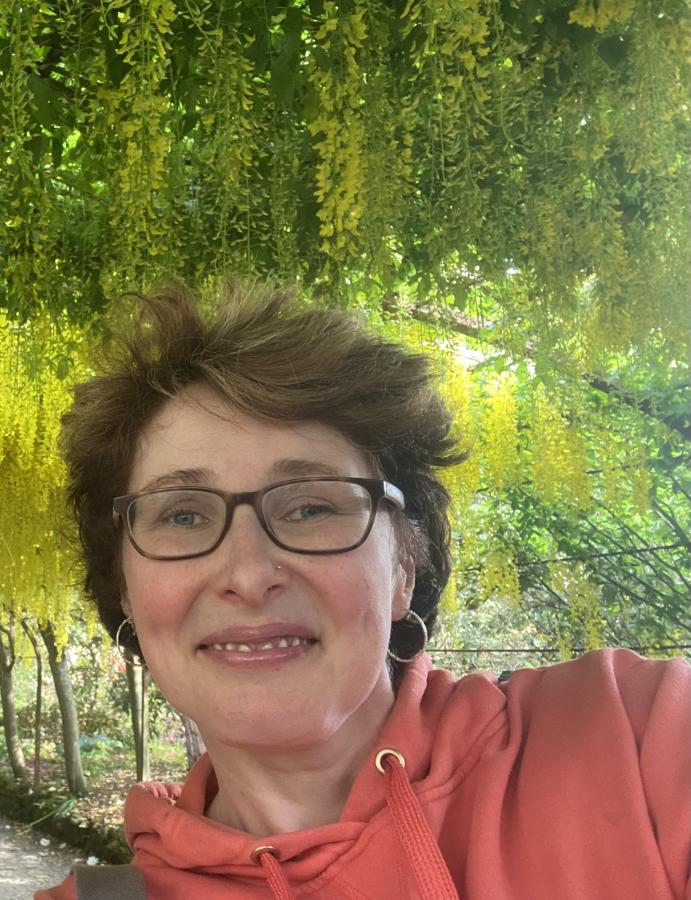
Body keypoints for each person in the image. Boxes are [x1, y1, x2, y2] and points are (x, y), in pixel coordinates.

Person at [37, 281, 690, 900]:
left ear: (405, 568)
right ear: (124, 591)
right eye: (182, 516)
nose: (248, 573)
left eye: (311, 508)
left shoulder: (636, 736)